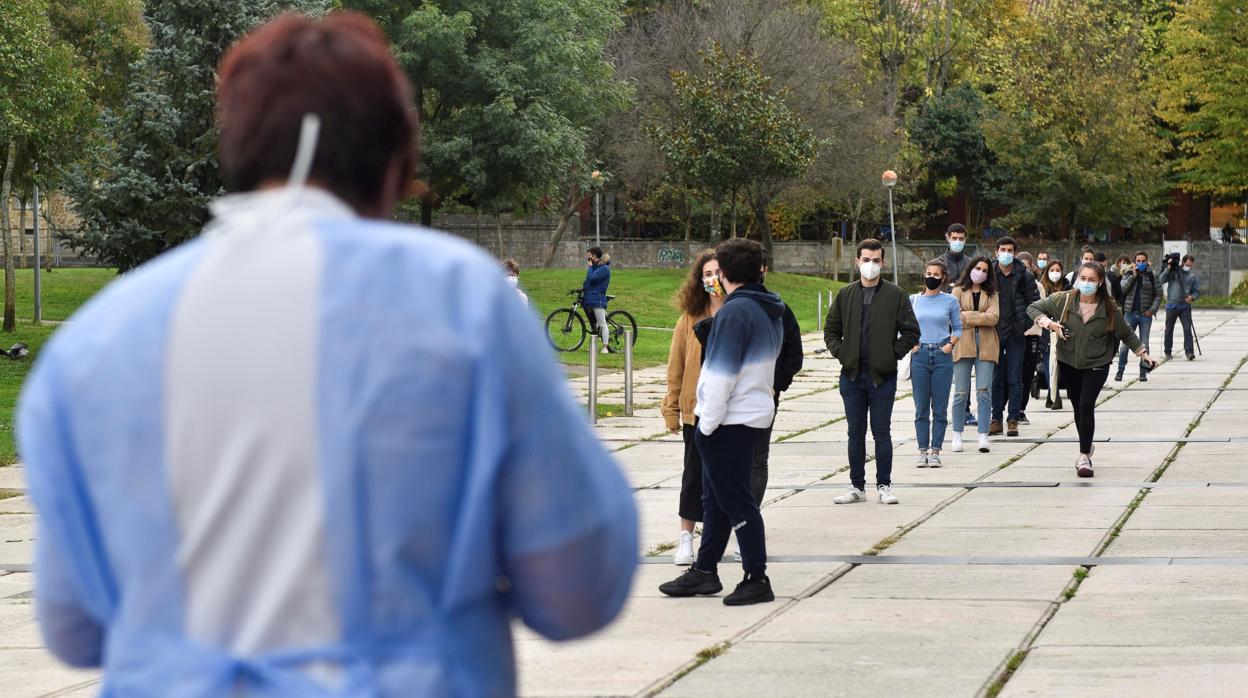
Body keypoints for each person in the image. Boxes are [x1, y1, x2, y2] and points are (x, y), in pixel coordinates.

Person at [17, 13, 639, 696]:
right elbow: (578, 588)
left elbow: (73, 625)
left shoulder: (89, 347)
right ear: (397, 163)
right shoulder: (461, 304)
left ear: (240, 150)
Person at [659, 238, 784, 606]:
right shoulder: (769, 308)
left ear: (725, 274)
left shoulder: (733, 312)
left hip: (727, 420)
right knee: (714, 500)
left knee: (737, 502)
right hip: (752, 413)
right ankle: (705, 569)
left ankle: (756, 576)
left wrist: (706, 424)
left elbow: (718, 376)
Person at [1029, 262, 1155, 477]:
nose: (1086, 283)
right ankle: (1086, 443)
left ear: (1100, 284)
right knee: (1078, 408)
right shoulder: (1064, 299)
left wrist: (1144, 354)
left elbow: (1126, 334)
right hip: (1069, 362)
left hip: (1098, 362)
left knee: (1087, 405)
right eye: (1083, 278)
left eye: (1091, 280)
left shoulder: (1110, 308)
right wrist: (1049, 324)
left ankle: (1084, 456)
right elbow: (1033, 308)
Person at [824, 239, 920, 505]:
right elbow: (831, 330)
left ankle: (884, 485)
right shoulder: (845, 294)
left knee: (881, 432)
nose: (870, 265)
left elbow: (911, 332)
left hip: (882, 377)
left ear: (883, 262)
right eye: (866, 260)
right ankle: (857, 486)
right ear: (857, 262)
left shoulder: (895, 294)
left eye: (876, 260)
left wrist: (891, 356)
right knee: (855, 433)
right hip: (852, 376)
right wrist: (841, 352)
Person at [662, 250, 722, 566]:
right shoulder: (689, 318)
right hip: (695, 412)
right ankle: (686, 536)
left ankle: (733, 534)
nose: (713, 280)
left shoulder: (740, 312)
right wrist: (671, 408)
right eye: (707, 274)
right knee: (693, 476)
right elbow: (677, 366)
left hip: (731, 412)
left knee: (729, 478)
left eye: (718, 273)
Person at [752, 255, 804, 506]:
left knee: (758, 458)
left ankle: (749, 514)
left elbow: (795, 354)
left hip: (765, 394)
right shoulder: (724, 307)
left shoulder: (779, 309)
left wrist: (777, 383)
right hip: (729, 396)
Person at [909, 260, 961, 467]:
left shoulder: (950, 301)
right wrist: (910, 343)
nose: (931, 277)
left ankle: (936, 450)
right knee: (921, 406)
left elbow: (957, 328)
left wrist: (950, 344)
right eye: (928, 273)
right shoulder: (913, 300)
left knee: (939, 407)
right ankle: (922, 450)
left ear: (943, 278)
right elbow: (902, 326)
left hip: (942, 355)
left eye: (936, 274)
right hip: (920, 355)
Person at [989, 236, 1040, 437]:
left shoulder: (1024, 275)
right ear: (996, 252)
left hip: (1016, 334)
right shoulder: (990, 273)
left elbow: (1034, 303)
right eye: (1003, 249)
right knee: (996, 378)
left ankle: (1013, 419)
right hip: (994, 333)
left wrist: (1024, 325)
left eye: (1010, 250)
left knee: (1015, 377)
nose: (1006, 253)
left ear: (1015, 252)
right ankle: (996, 418)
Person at [950, 257, 998, 453]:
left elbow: (994, 317)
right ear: (970, 269)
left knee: (984, 391)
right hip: (962, 344)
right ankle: (957, 434)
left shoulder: (992, 293)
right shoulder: (957, 290)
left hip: (987, 345)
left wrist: (968, 316)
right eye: (977, 268)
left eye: (985, 270)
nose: (980, 272)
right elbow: (956, 317)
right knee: (961, 392)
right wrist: (980, 317)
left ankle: (983, 435)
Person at [1116, 251, 1161, 382]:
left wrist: (1152, 310)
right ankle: (1120, 370)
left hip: (1145, 315)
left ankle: (1143, 372)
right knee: (1125, 344)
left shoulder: (1152, 275)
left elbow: (1158, 294)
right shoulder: (1128, 273)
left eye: (1143, 261)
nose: (1141, 263)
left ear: (1147, 262)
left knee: (1144, 344)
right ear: (1134, 262)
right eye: (1138, 261)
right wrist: (1133, 276)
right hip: (1130, 314)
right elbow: (1122, 291)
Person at [1018, 255, 1048, 424]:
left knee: (1027, 374)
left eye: (1027, 268)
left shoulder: (1038, 287)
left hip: (1032, 335)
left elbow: (1042, 312)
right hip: (1013, 336)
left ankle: (1021, 409)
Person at [1161, 253, 1201, 360]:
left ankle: (1189, 352)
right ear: (1182, 262)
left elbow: (1197, 292)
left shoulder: (1192, 276)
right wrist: (1168, 269)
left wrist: (1192, 298)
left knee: (1187, 329)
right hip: (1171, 305)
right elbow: (1160, 280)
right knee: (1169, 330)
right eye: (1187, 264)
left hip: (1184, 306)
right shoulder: (1173, 272)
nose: (1188, 267)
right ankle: (1167, 351)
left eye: (1190, 265)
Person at [584, 246, 612, 352]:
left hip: (598, 299)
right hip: (591, 298)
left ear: (594, 256)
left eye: (589, 255)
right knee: (593, 324)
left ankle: (605, 347)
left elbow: (592, 279)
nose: (588, 257)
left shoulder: (603, 269)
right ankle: (593, 346)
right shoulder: (596, 267)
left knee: (602, 323)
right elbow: (588, 281)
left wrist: (590, 267)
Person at [935, 223, 972, 293]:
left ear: (965, 240)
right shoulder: (939, 262)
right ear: (948, 238)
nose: (957, 241)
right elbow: (934, 285)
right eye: (954, 238)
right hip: (945, 302)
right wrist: (950, 288)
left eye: (961, 239)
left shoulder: (971, 263)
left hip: (966, 302)